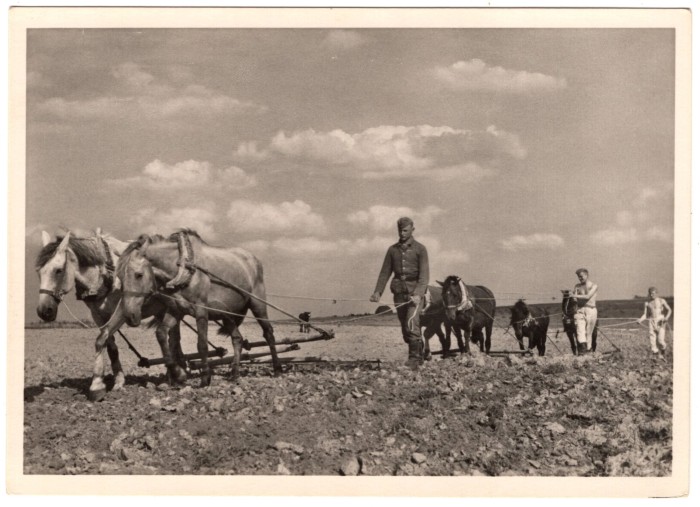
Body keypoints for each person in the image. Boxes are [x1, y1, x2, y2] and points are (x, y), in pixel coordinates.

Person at [370, 217, 429, 369]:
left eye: (405, 230)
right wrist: (378, 292)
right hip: (399, 293)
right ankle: (420, 352)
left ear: (412, 230)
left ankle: (414, 359)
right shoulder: (392, 250)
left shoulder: (420, 249)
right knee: (405, 329)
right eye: (400, 231)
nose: (402, 233)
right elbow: (385, 273)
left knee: (411, 324)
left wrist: (418, 294)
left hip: (415, 294)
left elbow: (424, 276)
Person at [637, 287, 672, 356]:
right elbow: (646, 314)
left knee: (660, 341)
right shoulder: (647, 303)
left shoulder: (662, 301)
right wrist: (640, 320)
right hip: (651, 320)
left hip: (660, 321)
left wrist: (666, 318)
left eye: (653, 293)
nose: (651, 295)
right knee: (652, 339)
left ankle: (663, 349)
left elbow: (669, 310)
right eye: (650, 294)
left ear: (656, 293)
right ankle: (655, 354)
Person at [571, 268, 598, 354]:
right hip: (580, 310)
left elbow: (587, 296)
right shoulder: (577, 286)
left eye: (581, 276)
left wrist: (574, 295)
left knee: (589, 332)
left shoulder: (594, 285)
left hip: (591, 309)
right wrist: (572, 297)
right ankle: (582, 350)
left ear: (586, 275)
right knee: (580, 330)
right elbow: (574, 298)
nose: (580, 278)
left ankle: (589, 349)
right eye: (578, 277)